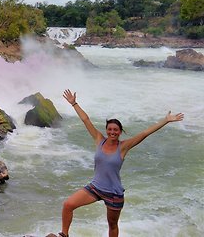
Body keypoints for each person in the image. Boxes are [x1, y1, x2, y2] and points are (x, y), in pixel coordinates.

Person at [58, 89, 184, 237]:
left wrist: (165, 120)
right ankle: (64, 235)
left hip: (113, 193)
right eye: (110, 129)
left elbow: (145, 133)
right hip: (95, 187)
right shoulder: (99, 139)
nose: (112, 132)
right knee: (68, 205)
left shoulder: (123, 146)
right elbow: (86, 120)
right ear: (106, 130)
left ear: (120, 132)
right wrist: (74, 103)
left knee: (112, 225)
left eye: (115, 130)